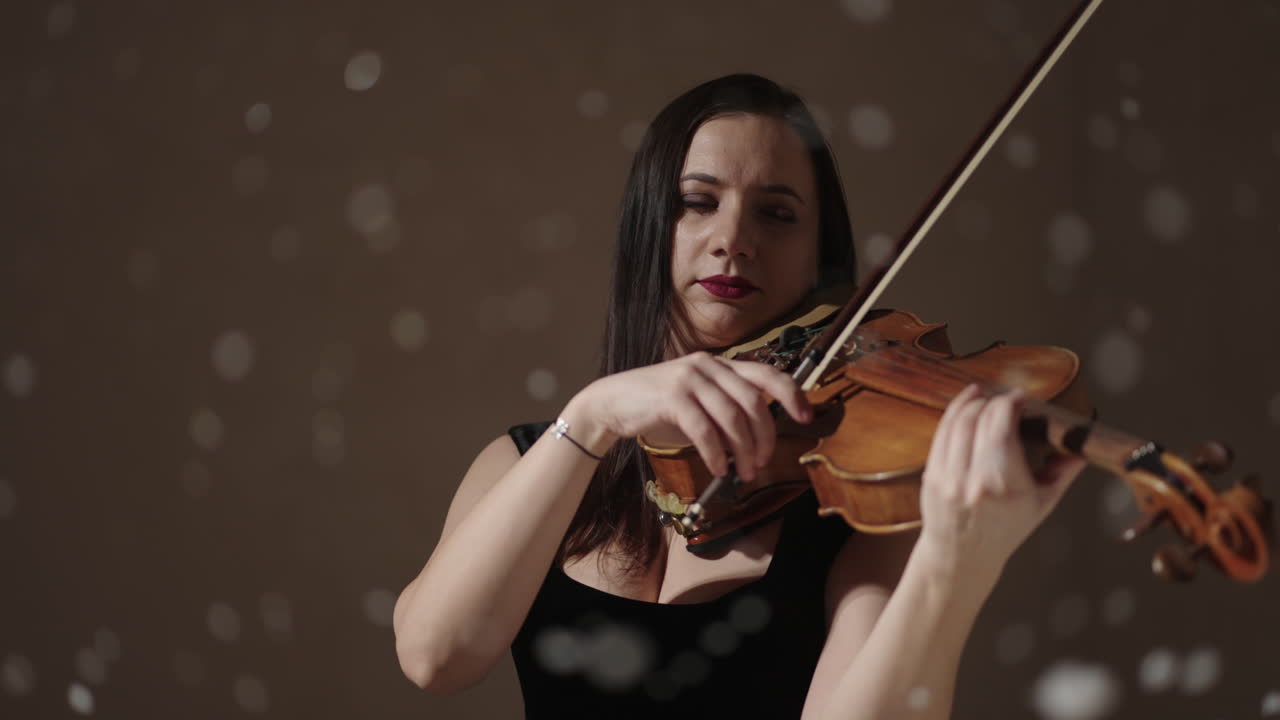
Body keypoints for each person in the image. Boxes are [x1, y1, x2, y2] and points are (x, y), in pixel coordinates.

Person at [392, 73, 1086, 719]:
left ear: (820, 258)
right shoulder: (525, 460)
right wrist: (595, 413)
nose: (733, 240)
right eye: (697, 203)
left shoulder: (858, 501)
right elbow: (435, 657)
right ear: (648, 230)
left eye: (777, 214)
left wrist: (958, 563)